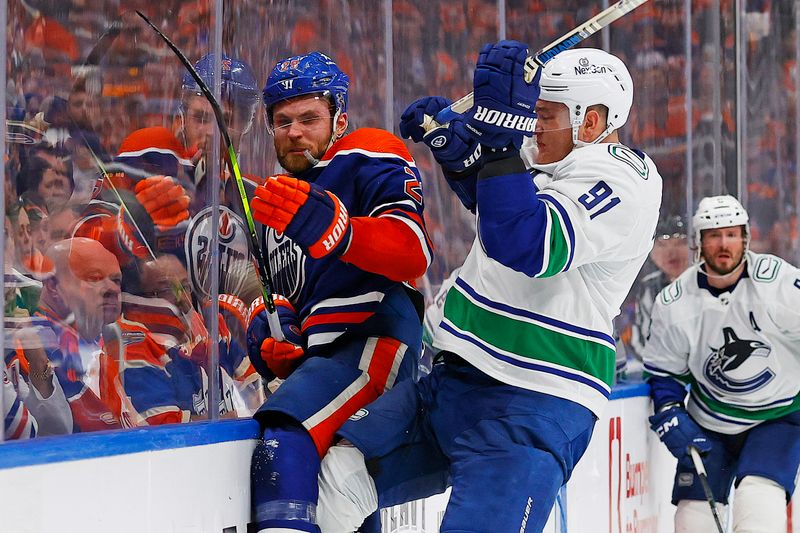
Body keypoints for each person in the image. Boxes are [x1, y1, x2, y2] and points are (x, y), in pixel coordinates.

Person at [314, 42, 662, 532]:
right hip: (456, 383)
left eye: (547, 114)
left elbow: (525, 242)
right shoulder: (546, 150)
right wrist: (455, 150)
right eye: (534, 111)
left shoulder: (624, 177)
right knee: (338, 474)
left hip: (536, 401)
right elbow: (494, 198)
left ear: (590, 123)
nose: (535, 123)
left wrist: (496, 144)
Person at [246, 51, 433, 533]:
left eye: (310, 117)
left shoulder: (366, 151)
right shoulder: (274, 202)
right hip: (323, 359)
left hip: (375, 338)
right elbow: (285, 300)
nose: (294, 131)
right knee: (342, 497)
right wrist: (273, 338)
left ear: (340, 119)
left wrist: (342, 230)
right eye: (283, 121)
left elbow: (414, 250)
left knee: (285, 433)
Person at [644, 195, 800, 532]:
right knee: (692, 520)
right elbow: (664, 374)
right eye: (714, 235)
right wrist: (671, 413)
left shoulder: (779, 283)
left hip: (777, 416)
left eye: (732, 234)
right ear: (699, 243)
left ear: (745, 238)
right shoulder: (674, 303)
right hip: (710, 423)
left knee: (759, 506)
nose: (724, 244)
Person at [627, 213, 690, 360]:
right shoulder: (648, 287)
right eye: (661, 244)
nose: (671, 252)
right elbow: (642, 341)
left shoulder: (710, 282)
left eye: (681, 242)